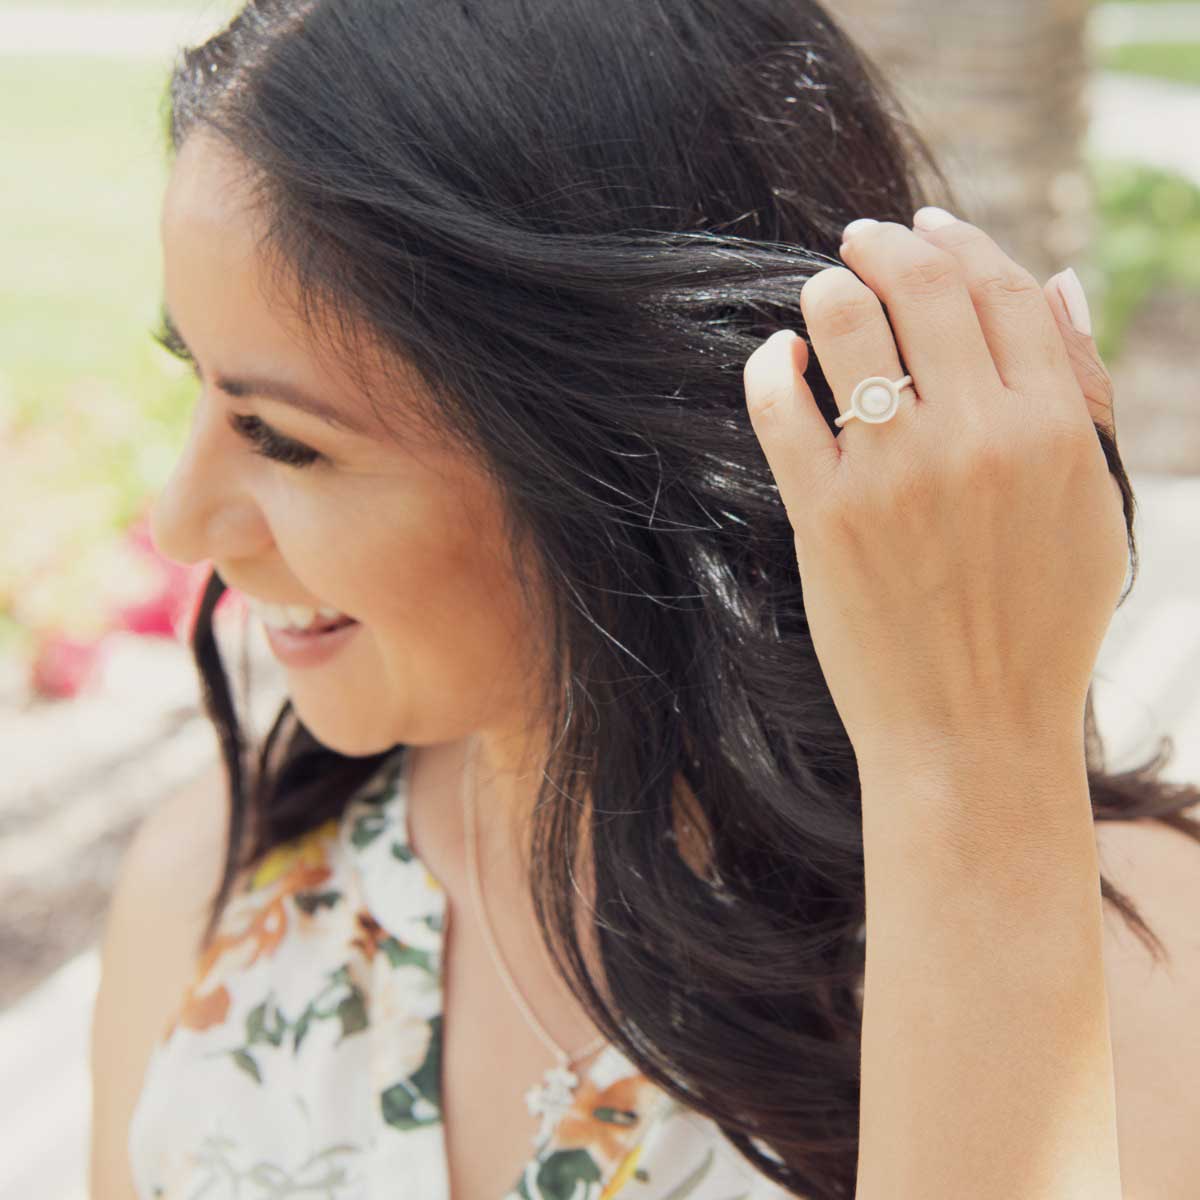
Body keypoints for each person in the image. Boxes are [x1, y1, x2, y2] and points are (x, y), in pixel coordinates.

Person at [89, 1, 1200, 1198]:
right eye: (195, 390)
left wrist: (975, 753)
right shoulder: (217, 885)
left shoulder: (1110, 946)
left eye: (281, 437)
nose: (181, 523)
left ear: (602, 449)